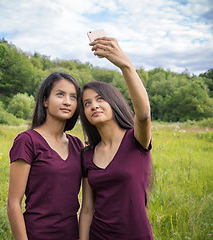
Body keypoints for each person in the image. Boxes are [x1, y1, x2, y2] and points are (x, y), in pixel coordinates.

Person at [79, 36, 154, 239]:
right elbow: (87, 210)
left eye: (100, 99)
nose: (93, 105)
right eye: (86, 103)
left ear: (114, 102)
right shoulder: (87, 155)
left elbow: (144, 113)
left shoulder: (136, 140)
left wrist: (125, 65)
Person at [7, 72, 84, 240]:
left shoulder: (78, 145)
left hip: (71, 235)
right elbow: (13, 203)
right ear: (45, 100)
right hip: (37, 234)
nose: (67, 102)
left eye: (73, 97)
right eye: (60, 94)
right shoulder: (27, 141)